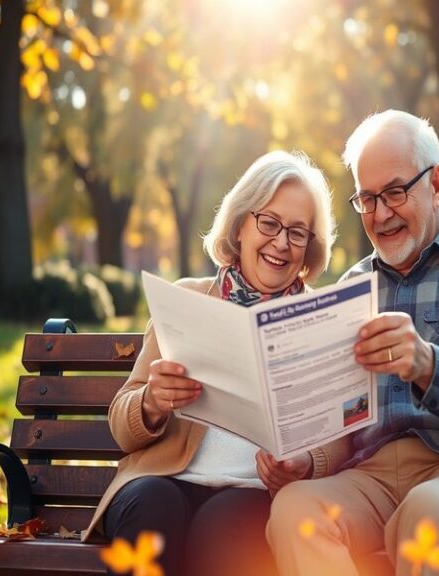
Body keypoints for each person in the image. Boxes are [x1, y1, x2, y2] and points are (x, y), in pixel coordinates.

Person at [258, 110, 439, 576]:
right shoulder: (351, 287)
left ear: (437, 183)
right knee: (294, 511)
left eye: (394, 192)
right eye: (367, 199)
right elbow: (337, 423)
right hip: (370, 477)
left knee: (426, 512)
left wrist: (427, 364)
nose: (381, 214)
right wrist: (304, 461)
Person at [83, 150, 336, 576]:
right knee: (152, 510)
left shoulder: (321, 320)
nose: (280, 243)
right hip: (162, 481)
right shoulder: (188, 299)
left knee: (223, 529)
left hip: (255, 492)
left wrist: (308, 462)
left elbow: (340, 432)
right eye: (269, 223)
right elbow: (121, 425)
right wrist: (151, 402)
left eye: (297, 232)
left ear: (310, 246)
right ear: (241, 224)